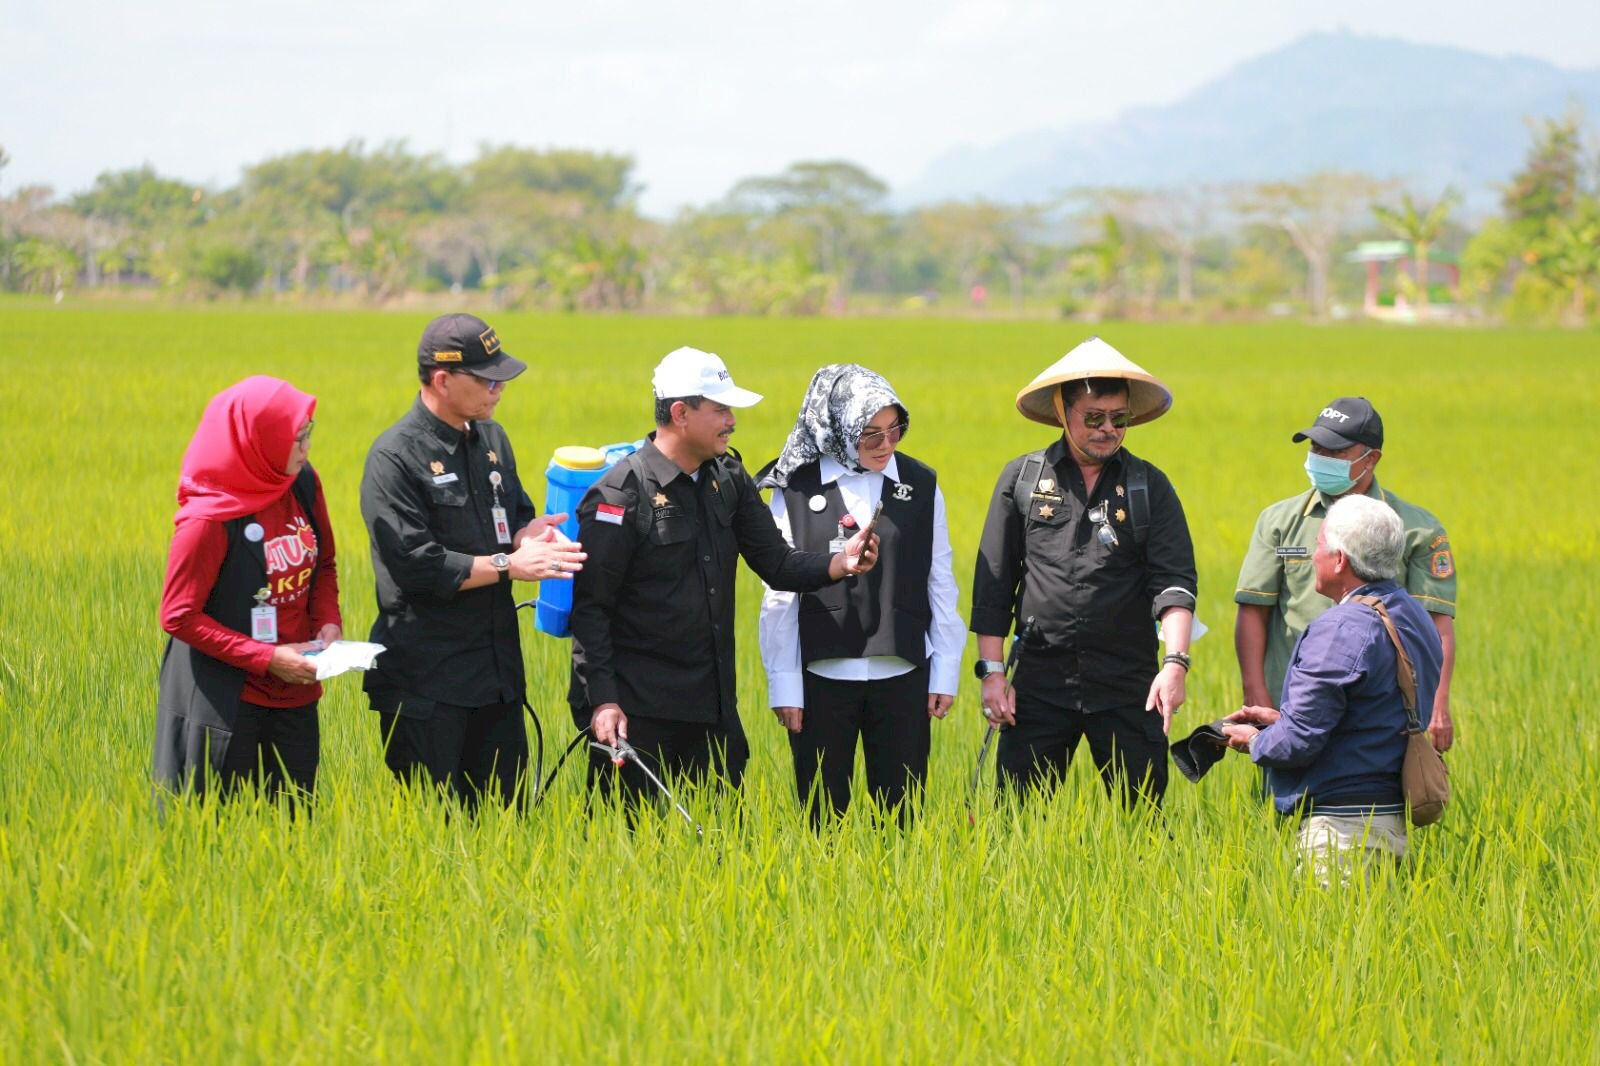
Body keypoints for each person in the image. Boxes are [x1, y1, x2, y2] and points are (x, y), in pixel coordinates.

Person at [568, 347, 880, 808]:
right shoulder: (620, 495)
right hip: (638, 713)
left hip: (711, 709)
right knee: (628, 856)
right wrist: (603, 702)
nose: (732, 420)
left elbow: (776, 561)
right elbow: (591, 610)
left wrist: (839, 564)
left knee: (719, 854)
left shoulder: (727, 478)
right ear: (680, 413)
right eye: (720, 409)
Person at [360, 313, 585, 809]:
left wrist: (536, 535)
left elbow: (517, 519)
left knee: (506, 828)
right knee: (431, 835)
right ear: (442, 381)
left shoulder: (491, 440)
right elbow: (418, 565)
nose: (498, 388)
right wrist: (511, 565)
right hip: (427, 682)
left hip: (497, 677)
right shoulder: (395, 458)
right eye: (486, 378)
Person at [970, 337, 1197, 807]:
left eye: (1119, 418)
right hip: (1038, 683)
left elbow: (1175, 583)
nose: (1107, 429)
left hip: (1128, 684)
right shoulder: (1025, 479)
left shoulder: (1147, 485)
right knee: (1019, 823)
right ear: (1063, 412)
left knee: (1144, 823)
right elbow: (993, 583)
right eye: (1094, 418)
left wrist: (1175, 664)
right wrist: (993, 673)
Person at [757, 365, 965, 826]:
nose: (886, 446)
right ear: (840, 428)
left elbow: (941, 580)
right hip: (821, 672)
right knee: (821, 819)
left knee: (903, 818)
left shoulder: (921, 483)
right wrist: (784, 683)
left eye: (895, 431)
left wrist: (945, 672)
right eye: (871, 434)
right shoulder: (794, 486)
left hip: (904, 670)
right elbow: (779, 594)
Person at [1221, 494, 1443, 883]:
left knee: (1336, 939)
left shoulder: (1339, 629)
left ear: (1340, 560)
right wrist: (1282, 720)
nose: (1313, 555)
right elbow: (1373, 712)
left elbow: (1298, 743)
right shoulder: (1413, 616)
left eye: (1320, 544)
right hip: (1390, 820)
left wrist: (1252, 740)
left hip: (1342, 833)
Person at [154, 376, 340, 802]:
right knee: (217, 834)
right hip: (226, 701)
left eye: (308, 433)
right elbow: (177, 615)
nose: (306, 447)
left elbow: (324, 564)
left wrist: (328, 622)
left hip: (294, 693)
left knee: (292, 827)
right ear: (260, 440)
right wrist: (266, 658)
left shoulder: (302, 482)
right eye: (296, 438)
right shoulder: (207, 520)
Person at [1233, 397, 1456, 751]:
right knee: (1282, 799)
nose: (1319, 457)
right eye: (1316, 446)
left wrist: (1438, 704)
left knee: (1369, 792)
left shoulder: (1414, 528)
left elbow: (1436, 624)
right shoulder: (1280, 522)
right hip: (1292, 700)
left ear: (1370, 459)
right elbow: (1253, 610)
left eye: (1334, 451)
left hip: (1383, 706)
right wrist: (1256, 692)